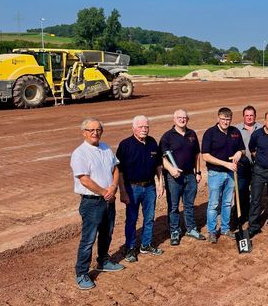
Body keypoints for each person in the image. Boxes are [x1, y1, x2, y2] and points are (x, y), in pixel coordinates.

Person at [71, 118, 124, 290]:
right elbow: (84, 180)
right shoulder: (80, 153)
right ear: (84, 132)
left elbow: (115, 169)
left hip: (108, 200)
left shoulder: (106, 148)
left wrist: (114, 187)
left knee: (106, 234)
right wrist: (104, 192)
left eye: (98, 129)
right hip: (92, 202)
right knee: (88, 239)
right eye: (91, 130)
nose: (95, 133)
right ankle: (82, 273)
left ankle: (103, 260)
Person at [117, 116, 165, 262]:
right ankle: (130, 247)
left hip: (149, 186)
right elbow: (119, 171)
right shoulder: (125, 145)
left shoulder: (152, 143)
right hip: (132, 188)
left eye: (146, 127)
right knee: (131, 219)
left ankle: (146, 244)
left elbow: (158, 165)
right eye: (141, 127)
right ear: (133, 128)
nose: (144, 129)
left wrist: (160, 183)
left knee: (149, 218)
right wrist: (123, 191)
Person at [160, 109, 205, 246]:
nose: (182, 119)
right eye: (179, 117)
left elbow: (197, 154)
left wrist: (197, 173)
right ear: (174, 119)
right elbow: (162, 158)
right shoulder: (167, 137)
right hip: (173, 177)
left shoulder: (192, 134)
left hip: (190, 175)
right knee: (173, 206)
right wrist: (171, 170)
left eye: (184, 117)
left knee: (189, 205)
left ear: (187, 119)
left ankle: (191, 228)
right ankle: (175, 231)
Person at [202, 107, 246, 244]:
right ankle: (212, 231)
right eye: (223, 119)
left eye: (228, 119)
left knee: (227, 203)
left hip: (231, 174)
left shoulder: (235, 132)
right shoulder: (210, 133)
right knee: (214, 203)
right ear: (218, 118)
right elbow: (205, 156)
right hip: (215, 173)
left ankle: (225, 228)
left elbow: (242, 149)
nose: (225, 122)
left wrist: (240, 153)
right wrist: (225, 164)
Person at [233, 105, 262, 227]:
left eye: (251, 115)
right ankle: (239, 216)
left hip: (257, 166)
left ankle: (253, 216)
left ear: (255, 116)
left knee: (255, 192)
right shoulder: (236, 130)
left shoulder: (261, 128)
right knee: (240, 191)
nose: (249, 118)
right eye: (247, 115)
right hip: (241, 166)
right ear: (243, 116)